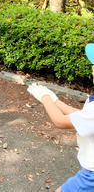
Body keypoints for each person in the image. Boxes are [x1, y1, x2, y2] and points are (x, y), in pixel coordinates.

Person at [27, 43, 94, 192]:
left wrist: (44, 97)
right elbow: (81, 115)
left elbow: (60, 121)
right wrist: (55, 100)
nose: (92, 68)